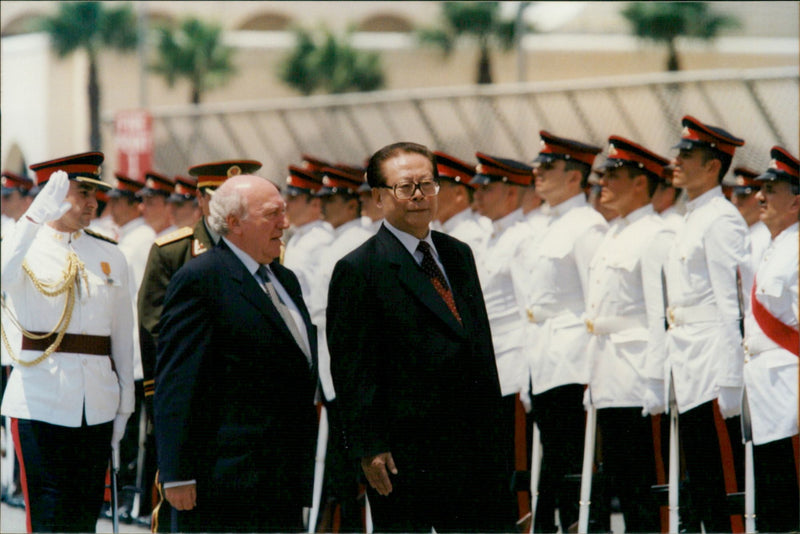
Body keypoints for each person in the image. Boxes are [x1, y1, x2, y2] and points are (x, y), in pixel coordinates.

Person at [326, 141, 511, 533]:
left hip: (473, 443)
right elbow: (352, 368)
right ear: (378, 197)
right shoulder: (360, 269)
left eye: (427, 185)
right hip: (407, 453)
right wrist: (369, 446)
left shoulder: (457, 254)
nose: (418, 197)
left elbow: (479, 345)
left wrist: (496, 430)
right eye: (405, 187)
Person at [153, 174, 318, 533]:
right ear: (234, 223)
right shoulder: (201, 279)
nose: (284, 223)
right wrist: (177, 474)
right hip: (226, 481)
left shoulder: (283, 279)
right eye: (272, 214)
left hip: (282, 478)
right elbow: (177, 383)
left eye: (284, 212)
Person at [0, 152, 134, 532]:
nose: (94, 202)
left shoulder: (110, 254)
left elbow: (122, 338)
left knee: (83, 517)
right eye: (83, 192)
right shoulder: (23, 245)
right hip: (40, 401)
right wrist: (33, 217)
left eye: (96, 193)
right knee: (47, 519)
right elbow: (3, 274)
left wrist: (124, 406)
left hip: (97, 403)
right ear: (53, 195)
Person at [137, 159, 261, 528]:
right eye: (223, 198)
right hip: (194, 403)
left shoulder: (264, 248)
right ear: (201, 200)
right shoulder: (172, 251)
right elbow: (155, 332)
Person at [510, 131, 607, 532]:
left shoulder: (587, 226)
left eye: (549, 167)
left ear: (574, 177)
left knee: (571, 467)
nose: (538, 173)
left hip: (572, 363)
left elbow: (594, 302)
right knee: (551, 463)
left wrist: (592, 369)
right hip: (543, 359)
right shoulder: (548, 225)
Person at [664, 115, 751, 533]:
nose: (676, 161)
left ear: (713, 165)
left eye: (687, 154)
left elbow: (731, 305)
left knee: (723, 483)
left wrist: (731, 376)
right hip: (688, 361)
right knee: (701, 480)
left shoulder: (721, 218)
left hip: (712, 368)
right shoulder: (692, 216)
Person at [584, 136, 674, 532]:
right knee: (620, 476)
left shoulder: (656, 234)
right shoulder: (613, 234)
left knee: (644, 487)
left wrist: (656, 380)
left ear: (642, 183)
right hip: (609, 373)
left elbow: (660, 315)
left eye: (614, 175)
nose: (603, 182)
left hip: (639, 377)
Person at [742, 146, 799, 533]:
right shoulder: (773, 247)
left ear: (796, 201)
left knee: (789, 497)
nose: (759, 196)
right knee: (772, 498)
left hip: (790, 384)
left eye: (772, 190)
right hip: (765, 384)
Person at [282, 164, 333, 302]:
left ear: (315, 204)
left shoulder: (323, 239)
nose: (285, 204)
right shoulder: (297, 237)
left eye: (293, 198)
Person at [432, 150, 489, 256]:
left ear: (459, 194)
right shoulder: (435, 232)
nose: (424, 195)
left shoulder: (472, 238)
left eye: (433, 188)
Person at [727, 166, 771, 270]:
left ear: (760, 198)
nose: (735, 201)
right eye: (735, 195)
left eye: (743, 196)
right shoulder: (736, 231)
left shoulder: (765, 238)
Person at [138, 171, 176, 238]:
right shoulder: (149, 238)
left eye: (150, 203)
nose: (141, 207)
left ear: (169, 206)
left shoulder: (176, 241)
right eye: (143, 201)